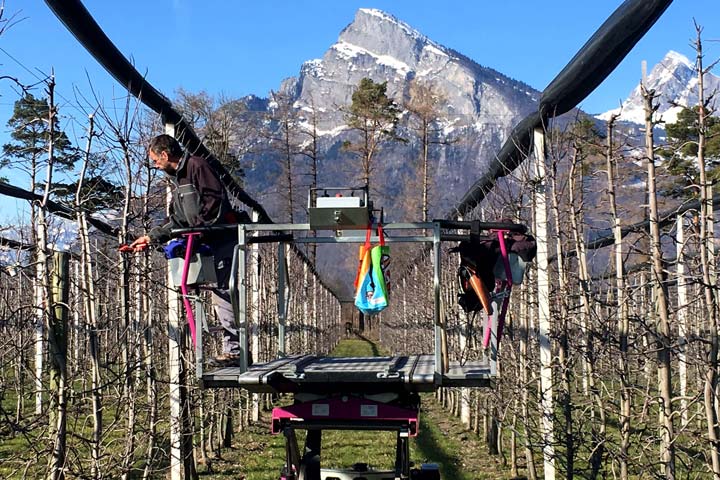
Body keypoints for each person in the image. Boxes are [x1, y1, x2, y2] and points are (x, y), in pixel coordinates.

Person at [129, 134, 245, 365]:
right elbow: (177, 221)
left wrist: (200, 230)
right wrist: (151, 237)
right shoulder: (179, 181)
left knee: (223, 291)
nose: (155, 165)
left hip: (221, 238)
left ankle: (235, 351)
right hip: (204, 242)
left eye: (155, 160)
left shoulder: (197, 167)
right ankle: (225, 348)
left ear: (165, 154)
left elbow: (214, 203)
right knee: (209, 291)